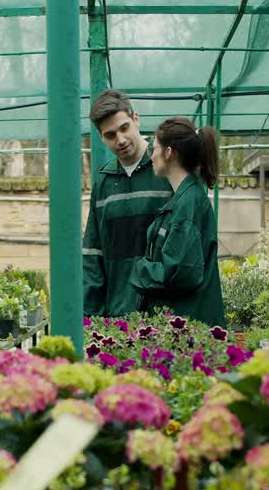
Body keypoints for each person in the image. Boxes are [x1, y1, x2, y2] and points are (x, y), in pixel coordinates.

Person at [83, 90, 174, 317]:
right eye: (110, 135)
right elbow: (93, 254)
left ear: (136, 119)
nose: (120, 140)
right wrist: (90, 317)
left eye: (124, 128)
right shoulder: (103, 182)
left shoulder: (170, 168)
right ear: (101, 137)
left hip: (167, 317)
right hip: (118, 316)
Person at [131, 117, 226, 328]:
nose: (151, 156)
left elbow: (181, 271)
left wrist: (139, 269)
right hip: (183, 323)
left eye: (154, 149)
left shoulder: (188, 203)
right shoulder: (183, 198)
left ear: (168, 152)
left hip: (188, 326)